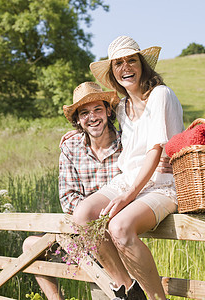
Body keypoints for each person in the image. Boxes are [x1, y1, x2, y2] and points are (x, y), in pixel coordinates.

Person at [72, 36, 184, 300]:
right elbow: (97, 127)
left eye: (131, 60)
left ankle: (157, 298)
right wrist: (73, 135)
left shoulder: (160, 95)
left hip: (161, 181)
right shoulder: (121, 107)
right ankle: (128, 289)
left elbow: (155, 150)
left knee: (120, 227)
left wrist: (129, 195)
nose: (126, 67)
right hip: (129, 179)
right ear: (112, 72)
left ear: (142, 64)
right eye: (118, 63)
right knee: (82, 215)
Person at [22, 81, 122, 300]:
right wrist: (91, 219)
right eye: (84, 113)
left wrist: (98, 216)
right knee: (31, 245)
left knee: (107, 295)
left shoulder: (126, 142)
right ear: (78, 120)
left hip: (114, 239)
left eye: (98, 109)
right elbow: (68, 199)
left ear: (108, 111)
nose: (93, 117)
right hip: (81, 237)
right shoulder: (71, 146)